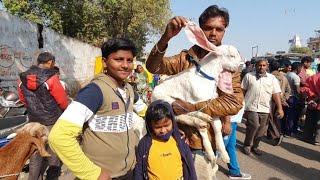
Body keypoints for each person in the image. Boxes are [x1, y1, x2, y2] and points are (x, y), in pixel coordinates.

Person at [146, 5, 244, 179]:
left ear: (224, 31)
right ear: (200, 30)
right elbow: (154, 67)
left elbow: (233, 102)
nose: (213, 33)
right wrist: (166, 37)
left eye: (219, 29)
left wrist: (191, 108)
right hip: (174, 135)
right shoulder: (186, 58)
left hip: (201, 142)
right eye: (208, 28)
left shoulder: (228, 64)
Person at [48, 38, 138, 179]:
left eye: (129, 60)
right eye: (119, 59)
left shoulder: (128, 89)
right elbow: (59, 137)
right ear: (104, 62)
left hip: (127, 172)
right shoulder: (95, 91)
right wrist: (93, 173)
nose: (125, 65)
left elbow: (139, 114)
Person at [18, 52, 68, 180]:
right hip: (51, 121)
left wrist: (33, 110)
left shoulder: (23, 78)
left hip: (33, 121)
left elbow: (22, 99)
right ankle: (51, 177)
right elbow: (62, 101)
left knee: (36, 152)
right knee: (53, 151)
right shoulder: (51, 78)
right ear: (50, 62)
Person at [135, 100, 196, 180]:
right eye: (158, 127)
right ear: (150, 126)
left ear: (173, 122)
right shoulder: (144, 144)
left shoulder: (180, 140)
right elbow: (139, 170)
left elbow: (190, 168)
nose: (163, 130)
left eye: (166, 125)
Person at [241, 59, 284, 156]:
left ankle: (255, 146)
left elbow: (276, 94)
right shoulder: (249, 76)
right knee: (254, 125)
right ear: (256, 66)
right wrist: (240, 105)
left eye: (264, 65)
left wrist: (280, 108)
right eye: (260, 65)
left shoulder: (272, 78)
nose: (262, 67)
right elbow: (242, 91)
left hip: (265, 108)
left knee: (262, 130)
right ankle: (247, 145)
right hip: (250, 106)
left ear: (267, 66)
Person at [223, 104, 251, 179]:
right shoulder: (233, 91)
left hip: (233, 121)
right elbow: (226, 103)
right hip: (228, 122)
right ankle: (205, 172)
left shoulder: (239, 91)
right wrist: (227, 122)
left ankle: (234, 172)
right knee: (218, 150)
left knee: (230, 147)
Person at [268, 60, 291, 145]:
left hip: (271, 100)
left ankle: (277, 135)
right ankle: (271, 134)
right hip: (280, 101)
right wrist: (284, 99)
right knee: (276, 118)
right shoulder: (284, 77)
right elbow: (288, 90)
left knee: (270, 118)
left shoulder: (269, 77)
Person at [301, 63, 320, 145]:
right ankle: (317, 139)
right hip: (318, 102)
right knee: (319, 122)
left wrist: (312, 97)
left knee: (310, 120)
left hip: (311, 102)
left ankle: (307, 137)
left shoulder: (311, 77)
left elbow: (305, 89)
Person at [285, 62, 302, 137]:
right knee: (292, 116)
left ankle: (284, 130)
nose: (301, 70)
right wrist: (301, 96)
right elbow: (297, 90)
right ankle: (289, 132)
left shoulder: (287, 74)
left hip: (286, 97)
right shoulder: (296, 77)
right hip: (293, 98)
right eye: (300, 68)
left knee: (286, 115)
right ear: (297, 68)